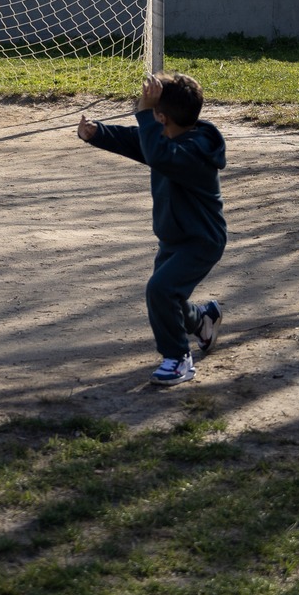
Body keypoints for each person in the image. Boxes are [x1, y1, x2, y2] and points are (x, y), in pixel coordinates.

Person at [77, 72, 225, 388]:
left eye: (151, 112)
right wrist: (98, 133)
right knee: (170, 298)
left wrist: (143, 112)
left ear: (160, 116)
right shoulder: (170, 140)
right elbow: (142, 143)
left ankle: (178, 359)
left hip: (201, 241)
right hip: (174, 238)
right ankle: (203, 320)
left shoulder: (193, 151)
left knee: (160, 290)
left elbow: (156, 151)